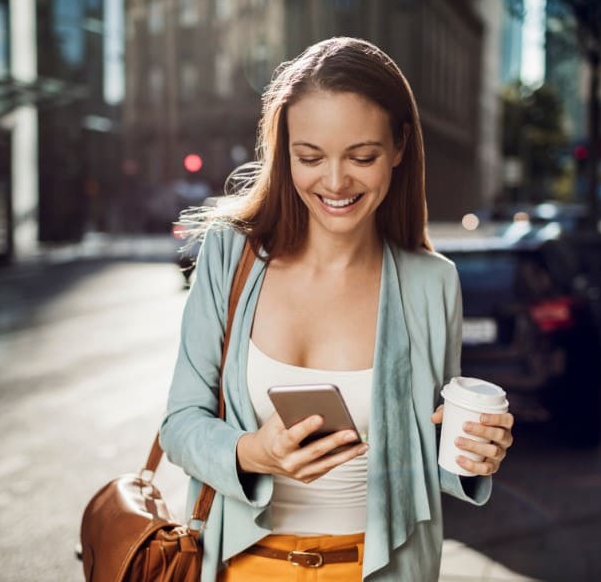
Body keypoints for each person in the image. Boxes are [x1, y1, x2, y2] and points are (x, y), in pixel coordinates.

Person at [160, 37, 515, 582]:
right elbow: (180, 425)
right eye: (310, 157)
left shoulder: (431, 284)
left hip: (379, 568)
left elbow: (428, 453)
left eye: (362, 156)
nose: (334, 182)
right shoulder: (231, 257)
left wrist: (473, 454)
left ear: (399, 146)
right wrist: (254, 452)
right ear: (284, 151)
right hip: (242, 566)